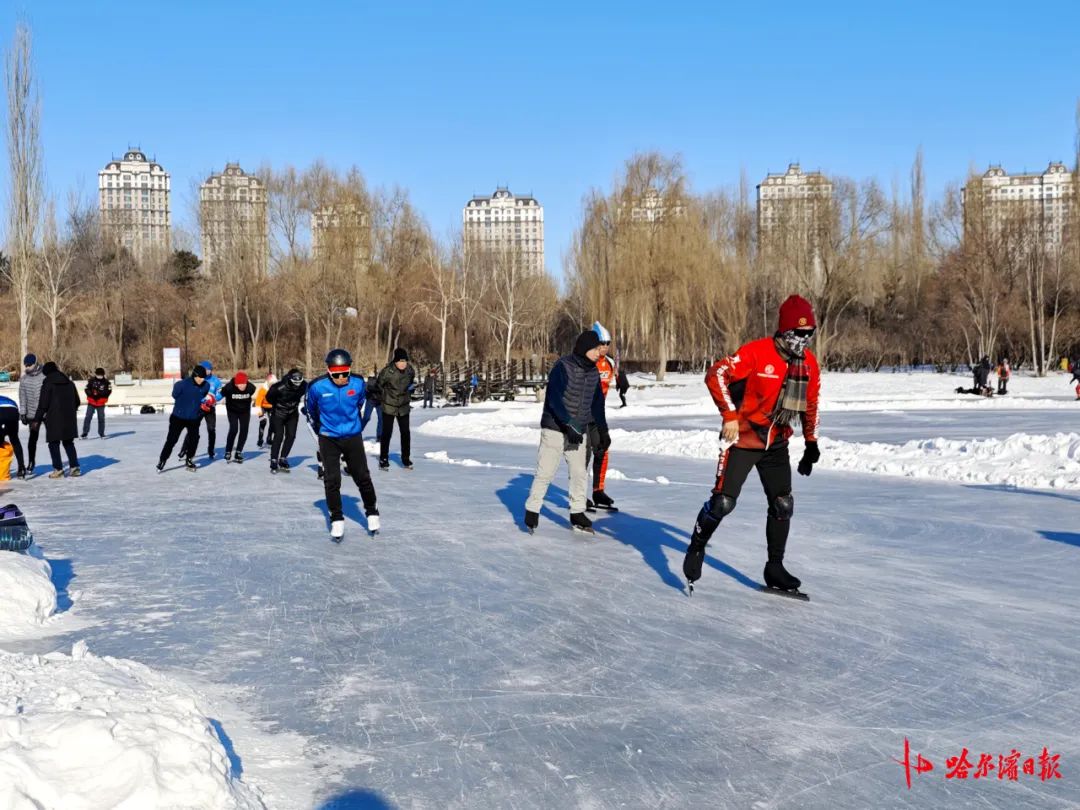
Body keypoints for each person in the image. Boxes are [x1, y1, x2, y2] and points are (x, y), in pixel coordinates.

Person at [682, 294, 822, 594]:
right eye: (799, 334)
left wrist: (811, 443)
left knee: (783, 504)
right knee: (723, 503)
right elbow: (716, 373)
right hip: (743, 440)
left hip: (776, 444)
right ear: (785, 331)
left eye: (809, 334)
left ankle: (775, 567)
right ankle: (696, 546)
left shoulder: (808, 363)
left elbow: (811, 403)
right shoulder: (756, 353)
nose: (804, 340)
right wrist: (729, 415)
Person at [524, 330, 608, 534]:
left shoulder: (593, 372)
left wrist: (603, 431)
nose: (599, 352)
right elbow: (554, 399)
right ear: (584, 349)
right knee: (546, 472)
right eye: (595, 349)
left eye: (599, 348)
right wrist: (568, 424)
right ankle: (532, 508)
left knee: (580, 473)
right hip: (554, 428)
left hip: (578, 430)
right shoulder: (563, 367)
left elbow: (597, 404)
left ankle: (577, 512)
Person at [306, 348, 379, 540]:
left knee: (362, 475)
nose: (341, 378)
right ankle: (337, 518)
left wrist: (354, 424)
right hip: (328, 436)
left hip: (352, 435)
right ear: (329, 372)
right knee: (332, 479)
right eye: (337, 375)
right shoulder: (317, 387)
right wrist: (321, 428)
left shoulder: (357, 382)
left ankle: (372, 511)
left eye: (345, 373)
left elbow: (360, 403)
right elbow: (311, 410)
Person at [33, 361, 81, 479]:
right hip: (69, 418)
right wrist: (70, 411)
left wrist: (36, 420)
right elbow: (77, 401)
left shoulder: (48, 384)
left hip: (53, 418)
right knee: (69, 442)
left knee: (54, 443)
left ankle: (58, 469)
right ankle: (74, 468)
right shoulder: (70, 383)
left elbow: (43, 405)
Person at [587, 321, 617, 511]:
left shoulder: (610, 363)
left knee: (603, 449)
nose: (605, 347)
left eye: (608, 343)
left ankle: (598, 491)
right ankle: (579, 494)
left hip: (599, 414)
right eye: (601, 343)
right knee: (583, 455)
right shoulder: (587, 361)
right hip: (583, 414)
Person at [158, 366, 210, 472]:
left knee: (194, 439)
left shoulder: (206, 386)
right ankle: (162, 459)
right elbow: (174, 395)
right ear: (194, 375)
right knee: (172, 440)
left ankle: (189, 459)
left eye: (204, 378)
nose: (202, 380)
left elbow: (202, 397)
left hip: (194, 417)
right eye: (199, 377)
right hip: (178, 417)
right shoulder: (181, 385)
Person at [376, 348, 416, 470]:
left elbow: (411, 382)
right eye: (400, 361)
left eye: (405, 361)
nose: (403, 364)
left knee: (405, 433)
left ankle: (406, 459)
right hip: (389, 406)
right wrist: (385, 396)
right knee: (387, 433)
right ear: (395, 361)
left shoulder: (410, 370)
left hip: (403, 406)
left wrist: (410, 390)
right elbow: (379, 385)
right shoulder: (387, 372)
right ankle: (383, 459)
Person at [266, 369, 307, 473]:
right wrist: (278, 406)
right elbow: (269, 398)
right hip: (278, 413)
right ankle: (274, 459)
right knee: (279, 435)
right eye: (295, 383)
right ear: (289, 379)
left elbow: (309, 394)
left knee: (291, 435)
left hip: (293, 413)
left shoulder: (304, 385)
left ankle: (283, 458)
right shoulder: (278, 387)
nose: (297, 385)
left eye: (299, 382)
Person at [18, 354, 44, 476]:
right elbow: (22, 397)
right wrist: (23, 413)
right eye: (26, 365)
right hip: (32, 415)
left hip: (46, 413)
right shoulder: (24, 379)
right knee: (32, 439)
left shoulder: (44, 376)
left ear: (35, 363)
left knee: (54, 438)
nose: (27, 367)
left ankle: (58, 464)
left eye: (30, 364)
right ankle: (31, 462)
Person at [221, 371, 256, 462]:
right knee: (234, 429)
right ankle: (228, 451)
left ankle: (239, 451)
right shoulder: (229, 387)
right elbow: (220, 394)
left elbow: (252, 393)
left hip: (244, 411)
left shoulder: (251, 388)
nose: (242, 386)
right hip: (232, 411)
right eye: (239, 384)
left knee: (244, 430)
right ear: (236, 384)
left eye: (243, 384)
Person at [198, 361, 224, 459]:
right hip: (199, 408)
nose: (207, 371)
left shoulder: (216, 381)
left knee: (211, 429)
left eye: (208, 370)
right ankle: (184, 449)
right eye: (205, 369)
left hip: (210, 408)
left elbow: (220, 394)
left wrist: (213, 400)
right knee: (193, 428)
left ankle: (211, 450)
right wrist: (201, 401)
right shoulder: (198, 379)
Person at [0, 394, 26, 479]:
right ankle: (21, 468)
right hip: (13, 411)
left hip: (2, 412)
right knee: (14, 440)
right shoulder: (6, 398)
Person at [81, 367, 112, 439]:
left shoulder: (107, 382)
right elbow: (86, 389)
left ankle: (101, 433)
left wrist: (100, 394)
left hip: (101, 403)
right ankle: (85, 433)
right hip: (91, 402)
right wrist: (91, 394)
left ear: (103, 375)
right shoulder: (91, 381)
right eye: (98, 374)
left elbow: (109, 391)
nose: (99, 376)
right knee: (88, 417)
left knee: (101, 418)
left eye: (101, 375)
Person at [254, 372, 276, 448]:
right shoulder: (263, 390)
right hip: (262, 406)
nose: (272, 385)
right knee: (263, 422)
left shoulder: (276, 389)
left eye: (274, 384)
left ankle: (269, 438)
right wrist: (260, 414)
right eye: (271, 383)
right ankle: (260, 439)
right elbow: (258, 402)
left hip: (272, 407)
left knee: (273, 422)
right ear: (268, 382)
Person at [363, 374, 383, 439]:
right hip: (371, 401)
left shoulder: (383, 381)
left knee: (381, 419)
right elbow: (365, 390)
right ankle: (356, 433)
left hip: (379, 401)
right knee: (366, 418)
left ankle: (379, 436)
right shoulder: (367, 383)